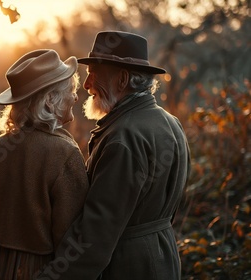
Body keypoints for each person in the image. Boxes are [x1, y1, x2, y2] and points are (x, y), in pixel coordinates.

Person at [36, 31, 191, 279]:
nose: (86, 86)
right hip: (164, 257)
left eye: (93, 75)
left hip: (127, 266)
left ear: (122, 80)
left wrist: (55, 276)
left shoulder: (123, 136)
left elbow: (97, 232)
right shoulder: (171, 123)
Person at [0, 49, 90, 279]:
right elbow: (73, 240)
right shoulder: (65, 153)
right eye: (71, 91)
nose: (75, 97)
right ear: (49, 101)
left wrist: (6, 264)